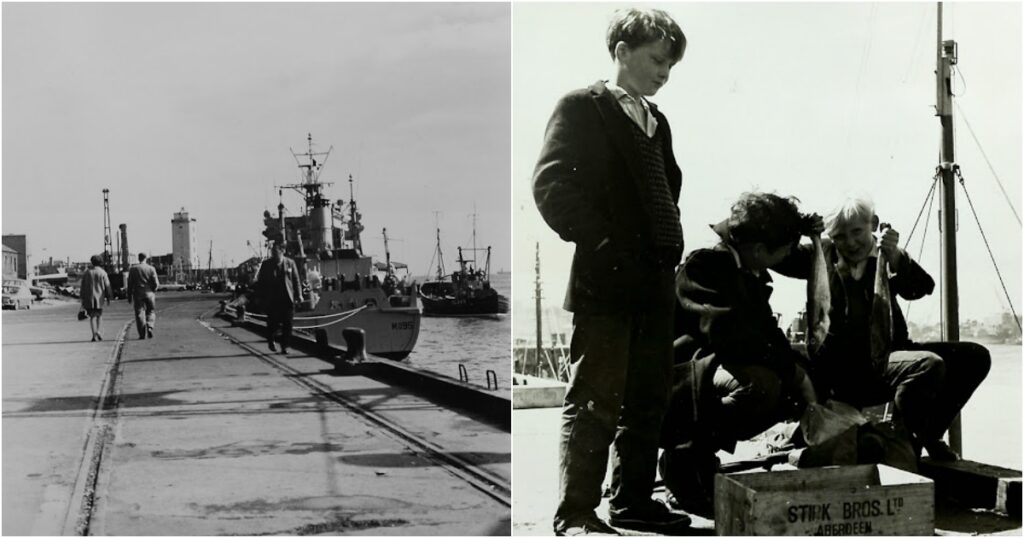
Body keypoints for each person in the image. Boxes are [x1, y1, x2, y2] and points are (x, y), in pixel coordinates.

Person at [533, 8, 689, 535]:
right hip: (607, 281)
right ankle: (576, 512)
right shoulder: (583, 107)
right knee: (595, 397)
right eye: (657, 59)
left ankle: (632, 502)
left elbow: (665, 190)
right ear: (622, 52)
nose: (665, 72)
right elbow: (552, 186)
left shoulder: (656, 120)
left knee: (648, 399)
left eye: (671, 64)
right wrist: (602, 244)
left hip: (655, 282)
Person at [786, 197, 991, 461]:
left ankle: (925, 435)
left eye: (857, 232)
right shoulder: (820, 253)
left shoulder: (886, 255)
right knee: (928, 364)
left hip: (888, 358)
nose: (850, 243)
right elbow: (779, 258)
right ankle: (903, 443)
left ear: (872, 225)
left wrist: (895, 257)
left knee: (973, 357)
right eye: (839, 236)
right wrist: (799, 229)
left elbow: (921, 288)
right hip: (842, 370)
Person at [660, 192, 820, 517]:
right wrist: (795, 374)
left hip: (709, 376)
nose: (788, 257)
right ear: (760, 250)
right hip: (678, 383)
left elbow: (765, 335)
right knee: (760, 385)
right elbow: (733, 335)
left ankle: (700, 457)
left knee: (792, 377)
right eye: (784, 251)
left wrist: (810, 233)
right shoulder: (704, 264)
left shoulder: (743, 263)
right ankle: (684, 457)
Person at [256, 242, 302, 355]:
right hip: (273, 299)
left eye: (276, 253)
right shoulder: (266, 264)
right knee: (272, 324)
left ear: (282, 252)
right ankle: (271, 339)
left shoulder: (290, 263)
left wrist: (299, 294)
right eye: (273, 253)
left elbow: (296, 280)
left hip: (287, 299)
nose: (274, 255)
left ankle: (284, 346)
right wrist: (260, 297)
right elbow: (261, 282)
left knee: (288, 324)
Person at [127, 252, 160, 339]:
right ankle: (150, 326)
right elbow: (156, 283)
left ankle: (142, 334)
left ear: (139, 258)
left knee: (139, 313)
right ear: (146, 258)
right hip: (149, 294)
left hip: (138, 294)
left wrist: (129, 296)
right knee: (151, 311)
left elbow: (130, 284)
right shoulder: (151, 268)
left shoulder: (133, 269)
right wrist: (153, 290)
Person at [81, 254, 112, 342]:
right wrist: (109, 296)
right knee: (99, 315)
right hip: (99, 298)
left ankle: (94, 335)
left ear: (92, 262)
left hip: (89, 298)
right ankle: (98, 331)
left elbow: (82, 286)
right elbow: (107, 286)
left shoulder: (87, 272)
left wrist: (82, 298)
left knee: (92, 317)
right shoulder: (103, 272)